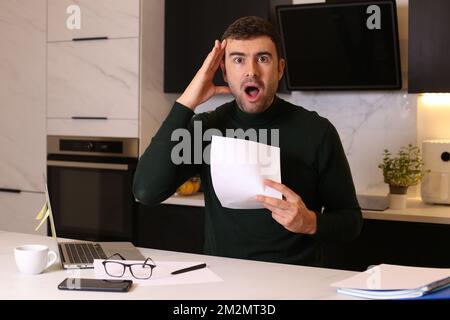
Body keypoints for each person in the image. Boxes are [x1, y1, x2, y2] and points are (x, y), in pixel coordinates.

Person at [133, 16, 362, 267]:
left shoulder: (317, 131)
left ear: (280, 68)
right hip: (224, 279)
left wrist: (310, 222)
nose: (251, 71)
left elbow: (351, 221)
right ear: (224, 71)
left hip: (295, 280)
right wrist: (186, 102)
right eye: (238, 60)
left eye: (263, 58)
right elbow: (146, 191)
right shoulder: (206, 128)